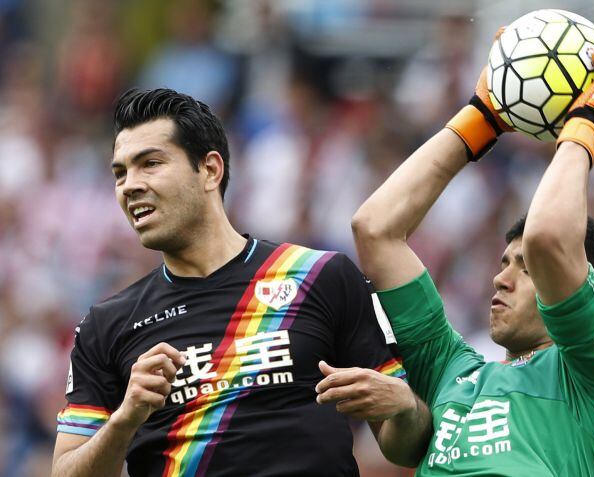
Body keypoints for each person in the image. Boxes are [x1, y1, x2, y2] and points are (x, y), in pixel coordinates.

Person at [51, 88, 430, 477]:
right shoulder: (104, 325)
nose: (130, 184)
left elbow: (408, 446)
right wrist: (125, 419)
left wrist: (404, 405)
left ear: (210, 170)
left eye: (150, 163)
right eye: (120, 172)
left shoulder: (322, 276)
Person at [319, 44, 594, 474]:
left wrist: (589, 125)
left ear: (587, 289)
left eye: (525, 268)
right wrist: (481, 119)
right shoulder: (450, 369)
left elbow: (549, 237)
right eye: (503, 263)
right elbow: (375, 229)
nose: (500, 280)